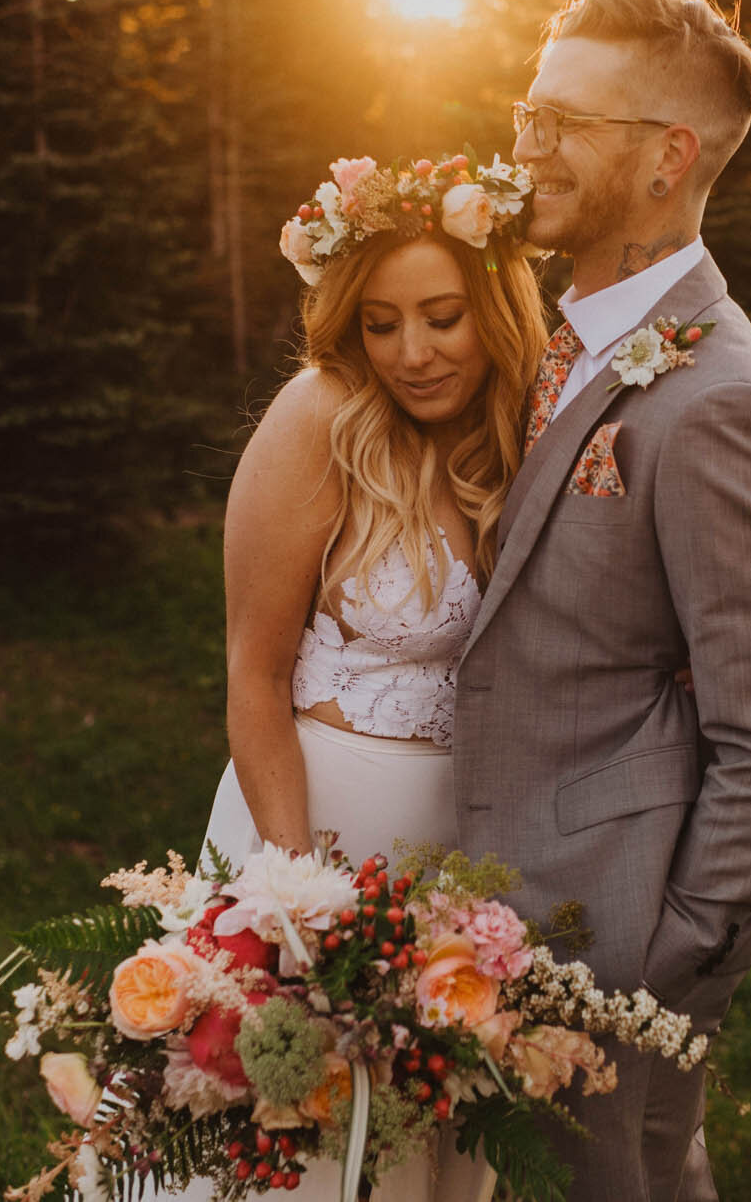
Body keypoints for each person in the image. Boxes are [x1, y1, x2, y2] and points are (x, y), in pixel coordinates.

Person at [452, 0, 751, 1202]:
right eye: (527, 109)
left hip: (609, 936)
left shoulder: (715, 406)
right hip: (504, 900)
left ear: (667, 158)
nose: (528, 144)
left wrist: (659, 960)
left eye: (564, 123)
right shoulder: (560, 328)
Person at [171, 151, 547, 1202]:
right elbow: (252, 674)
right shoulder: (319, 415)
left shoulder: (525, 436)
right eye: (380, 322)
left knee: (432, 1152)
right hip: (314, 839)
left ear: (494, 310)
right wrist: (300, 907)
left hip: (462, 872)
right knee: (296, 1145)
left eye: (440, 316)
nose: (412, 353)